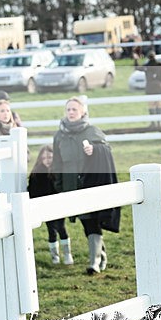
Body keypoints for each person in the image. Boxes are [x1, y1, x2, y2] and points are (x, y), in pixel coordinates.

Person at [52, 97, 120, 275]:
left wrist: (94, 150)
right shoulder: (59, 135)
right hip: (71, 185)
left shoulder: (92, 131)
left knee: (92, 220)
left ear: (83, 112)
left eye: (74, 109)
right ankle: (100, 254)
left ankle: (94, 263)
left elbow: (106, 151)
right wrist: (59, 185)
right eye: (68, 109)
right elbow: (57, 162)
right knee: (86, 220)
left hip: (91, 183)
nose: (71, 112)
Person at [29, 145, 73, 265]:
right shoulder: (37, 173)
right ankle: (55, 256)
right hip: (44, 206)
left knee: (61, 228)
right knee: (51, 230)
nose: (47, 160)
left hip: (58, 205)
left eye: (50, 157)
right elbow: (33, 191)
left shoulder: (58, 171)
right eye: (44, 158)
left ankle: (67, 253)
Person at [136, 50, 161, 128]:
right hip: (159, 87)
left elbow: (137, 68)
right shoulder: (160, 65)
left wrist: (136, 59)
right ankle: (159, 122)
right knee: (159, 104)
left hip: (150, 87)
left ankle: (153, 122)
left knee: (151, 105)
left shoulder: (147, 66)